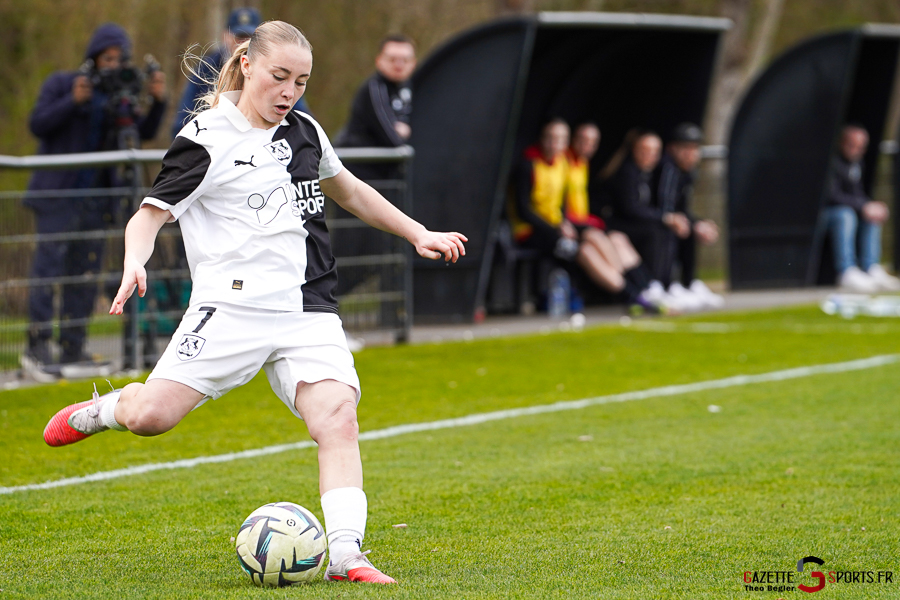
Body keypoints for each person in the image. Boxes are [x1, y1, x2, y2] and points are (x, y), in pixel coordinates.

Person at [41, 21, 466, 585]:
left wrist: (417, 233)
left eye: (301, 81)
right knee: (151, 418)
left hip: (308, 310)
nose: (289, 92)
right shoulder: (204, 138)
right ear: (248, 66)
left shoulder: (306, 133)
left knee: (337, 419)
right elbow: (148, 216)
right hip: (231, 312)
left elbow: (352, 191)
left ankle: (346, 556)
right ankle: (102, 410)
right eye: (279, 77)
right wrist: (134, 259)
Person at [23, 23, 167, 380]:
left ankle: (73, 346)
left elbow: (141, 132)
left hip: (96, 201)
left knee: (84, 276)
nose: (114, 66)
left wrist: (158, 101)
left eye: (120, 59)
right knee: (48, 272)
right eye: (108, 58)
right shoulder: (63, 84)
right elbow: (38, 124)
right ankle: (37, 348)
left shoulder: (119, 94)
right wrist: (73, 101)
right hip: (58, 197)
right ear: (94, 58)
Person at [510, 119, 658, 312]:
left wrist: (562, 222)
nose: (555, 144)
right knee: (585, 249)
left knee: (607, 238)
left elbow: (561, 202)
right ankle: (630, 294)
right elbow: (524, 211)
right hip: (533, 231)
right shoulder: (529, 165)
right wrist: (558, 227)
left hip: (557, 227)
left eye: (561, 139)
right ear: (543, 139)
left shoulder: (563, 163)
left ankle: (641, 288)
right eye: (551, 138)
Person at [171, 7, 309, 138]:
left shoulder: (279, 70)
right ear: (225, 36)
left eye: (251, 38)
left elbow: (299, 115)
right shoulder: (206, 68)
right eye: (239, 36)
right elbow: (183, 120)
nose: (244, 43)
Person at [564, 123, 656, 309]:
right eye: (583, 140)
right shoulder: (563, 163)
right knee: (592, 244)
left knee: (617, 238)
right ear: (573, 140)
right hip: (568, 226)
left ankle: (647, 288)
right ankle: (632, 293)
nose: (587, 146)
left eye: (592, 142)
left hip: (581, 223)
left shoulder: (582, 164)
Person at [821, 124, 900, 292]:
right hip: (824, 216)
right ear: (842, 143)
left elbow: (857, 194)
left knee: (871, 214)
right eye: (853, 145)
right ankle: (846, 270)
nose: (857, 150)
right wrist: (863, 206)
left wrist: (871, 206)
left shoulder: (857, 164)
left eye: (861, 147)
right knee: (846, 215)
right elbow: (832, 196)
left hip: (847, 211)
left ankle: (871, 266)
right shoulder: (832, 162)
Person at [654, 123, 724, 309]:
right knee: (675, 228)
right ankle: (667, 285)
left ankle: (690, 283)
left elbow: (683, 210)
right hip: (654, 221)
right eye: (685, 148)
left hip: (668, 219)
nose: (691, 154)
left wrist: (699, 223)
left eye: (694, 148)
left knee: (690, 227)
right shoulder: (668, 169)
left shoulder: (688, 173)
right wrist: (678, 221)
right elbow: (665, 207)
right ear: (673, 149)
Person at [335, 34, 415, 151]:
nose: (399, 65)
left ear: (414, 63)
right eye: (392, 59)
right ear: (379, 61)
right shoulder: (375, 88)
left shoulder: (407, 87)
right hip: (357, 162)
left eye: (405, 60)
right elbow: (389, 136)